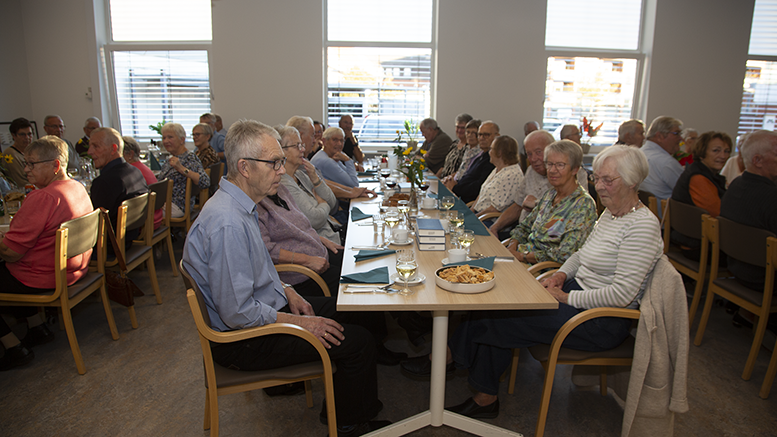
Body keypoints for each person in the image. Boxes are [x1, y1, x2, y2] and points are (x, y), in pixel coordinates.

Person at [402, 145, 663, 419]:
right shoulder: (611, 214)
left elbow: (621, 295)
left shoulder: (642, 225)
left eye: (608, 180)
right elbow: (580, 254)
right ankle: (470, 380)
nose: (599, 186)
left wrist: (566, 297)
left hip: (599, 320)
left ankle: (467, 379)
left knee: (496, 316)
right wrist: (562, 274)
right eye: (597, 178)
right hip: (576, 294)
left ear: (633, 181)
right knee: (491, 305)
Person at [182, 120, 390, 435]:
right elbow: (237, 312)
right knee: (358, 341)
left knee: (352, 310)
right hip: (245, 341)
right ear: (245, 167)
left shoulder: (238, 206)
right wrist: (301, 323)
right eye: (275, 163)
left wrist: (288, 289)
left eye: (282, 160)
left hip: (262, 312)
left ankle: (348, 405)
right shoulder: (227, 224)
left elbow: (254, 272)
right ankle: (350, 422)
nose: (282, 170)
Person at [0, 136, 94, 370]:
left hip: (46, 277)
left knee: (8, 267)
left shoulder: (43, 196)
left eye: (32, 164)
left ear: (55, 166)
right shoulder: (77, 186)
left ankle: (13, 347)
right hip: (73, 269)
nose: (26, 170)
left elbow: (11, 252)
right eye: (25, 163)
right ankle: (36, 327)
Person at [505, 140, 597, 264]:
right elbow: (524, 227)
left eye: (560, 165)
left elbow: (566, 253)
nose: (552, 170)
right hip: (519, 258)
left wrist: (522, 256)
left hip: (540, 269)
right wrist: (511, 248)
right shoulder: (550, 195)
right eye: (549, 164)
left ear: (575, 169)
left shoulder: (583, 204)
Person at [488, 130, 589, 240]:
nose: (533, 159)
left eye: (539, 152)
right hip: (524, 234)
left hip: (545, 241)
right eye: (529, 154)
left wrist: (536, 203)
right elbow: (518, 205)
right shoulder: (531, 171)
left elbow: (571, 211)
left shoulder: (573, 174)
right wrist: (495, 227)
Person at [720, 130, 777, 292]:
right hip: (765, 278)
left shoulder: (736, 185)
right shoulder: (771, 197)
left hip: (738, 268)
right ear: (757, 160)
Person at [277, 126, 341, 245]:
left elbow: (332, 203)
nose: (302, 150)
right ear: (281, 151)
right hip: (323, 245)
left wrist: (316, 180)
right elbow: (315, 219)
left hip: (334, 233)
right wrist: (322, 203)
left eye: (302, 145)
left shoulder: (301, 174)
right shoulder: (283, 184)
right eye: (297, 146)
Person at [88, 128, 148, 248]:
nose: (89, 151)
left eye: (96, 147)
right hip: (130, 236)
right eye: (90, 146)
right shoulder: (135, 171)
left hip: (109, 247)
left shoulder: (105, 182)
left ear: (113, 149)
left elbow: (94, 225)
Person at [156, 122, 210, 218]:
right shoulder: (171, 158)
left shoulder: (188, 158)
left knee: (143, 214)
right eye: (164, 138)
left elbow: (205, 181)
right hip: (167, 203)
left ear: (182, 140)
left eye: (170, 137)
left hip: (177, 206)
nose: (166, 141)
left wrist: (181, 168)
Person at [672, 131, 731, 217]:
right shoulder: (698, 177)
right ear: (702, 152)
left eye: (727, 151)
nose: (723, 156)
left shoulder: (702, 171)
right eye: (716, 151)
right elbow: (717, 213)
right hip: (695, 228)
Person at [447, 121, 498, 203]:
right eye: (480, 135)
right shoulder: (481, 156)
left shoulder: (492, 160)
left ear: (496, 136)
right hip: (459, 195)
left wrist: (454, 188)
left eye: (486, 135)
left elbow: (478, 187)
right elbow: (467, 176)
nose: (481, 138)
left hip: (467, 203)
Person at [471, 135, 524, 215]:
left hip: (488, 219)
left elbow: (494, 209)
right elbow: (482, 193)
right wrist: (471, 210)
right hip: (479, 214)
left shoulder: (511, 174)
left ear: (499, 153)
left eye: (491, 149)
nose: (489, 152)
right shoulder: (498, 168)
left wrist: (474, 218)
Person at [640, 115, 684, 202]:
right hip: (665, 214)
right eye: (676, 134)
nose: (681, 139)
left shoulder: (638, 153)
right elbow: (688, 193)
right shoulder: (666, 162)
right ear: (660, 136)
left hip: (643, 212)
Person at [122, 136, 163, 229]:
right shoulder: (143, 168)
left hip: (146, 222)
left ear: (130, 155)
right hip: (156, 216)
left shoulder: (132, 172)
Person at [441, 119, 481, 187]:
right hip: (452, 181)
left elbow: (467, 176)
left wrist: (453, 184)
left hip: (462, 187)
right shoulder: (468, 149)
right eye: (468, 132)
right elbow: (460, 171)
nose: (470, 135)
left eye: (474, 133)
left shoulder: (479, 153)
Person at [438, 113, 473, 178]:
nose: (459, 130)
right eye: (457, 127)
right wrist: (436, 178)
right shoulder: (454, 144)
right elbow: (444, 166)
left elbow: (463, 171)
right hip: (443, 180)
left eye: (463, 128)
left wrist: (447, 180)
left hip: (453, 182)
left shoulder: (470, 147)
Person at [5, 118, 34, 187]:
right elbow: (20, 182)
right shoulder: (10, 154)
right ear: (13, 135)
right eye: (22, 134)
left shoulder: (32, 152)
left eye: (29, 134)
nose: (27, 137)